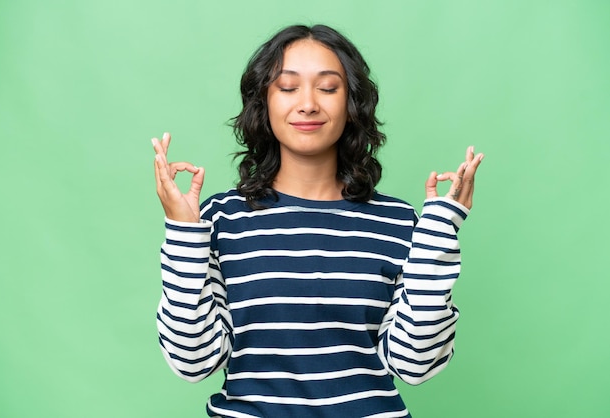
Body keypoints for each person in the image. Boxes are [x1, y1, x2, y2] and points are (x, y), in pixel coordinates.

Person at [151, 24, 483, 418]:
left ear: (352, 104)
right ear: (264, 102)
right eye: (288, 88)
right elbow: (194, 362)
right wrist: (184, 233)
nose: (307, 104)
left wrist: (439, 236)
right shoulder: (223, 218)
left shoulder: (397, 222)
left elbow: (415, 365)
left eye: (327, 88)